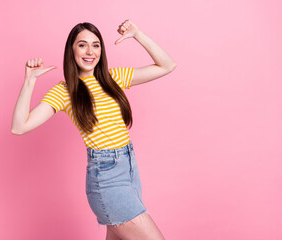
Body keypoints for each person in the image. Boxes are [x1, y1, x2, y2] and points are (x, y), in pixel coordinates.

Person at [11, 19, 176, 240]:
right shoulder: (65, 91)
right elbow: (19, 127)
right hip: (107, 178)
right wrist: (29, 81)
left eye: (96, 45)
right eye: (82, 45)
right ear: (71, 50)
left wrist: (138, 34)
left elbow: (167, 65)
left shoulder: (113, 78)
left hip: (129, 171)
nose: (90, 51)